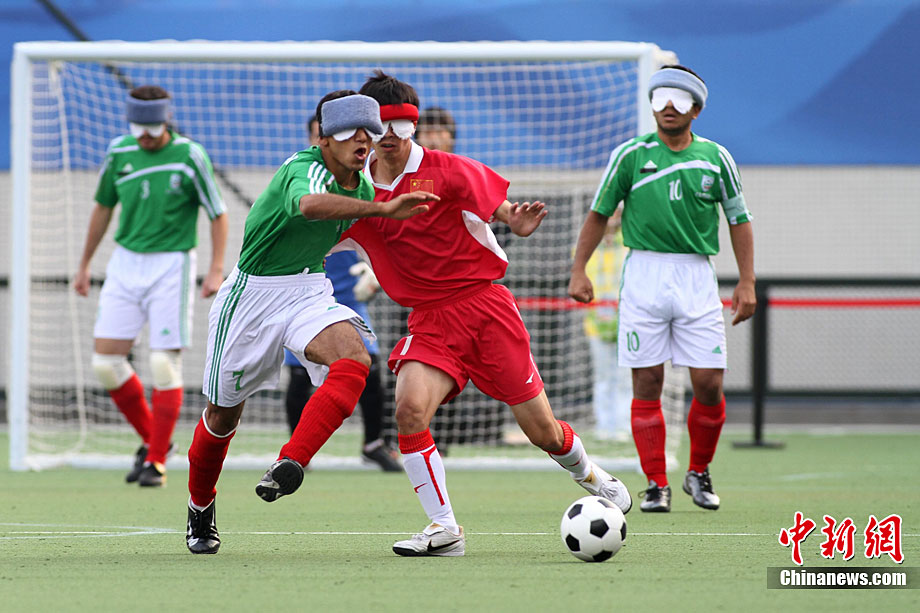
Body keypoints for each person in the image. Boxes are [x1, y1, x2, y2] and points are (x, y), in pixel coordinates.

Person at [334, 70, 632, 557]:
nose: (389, 137)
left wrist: (515, 218)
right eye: (379, 126)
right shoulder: (354, 189)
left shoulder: (450, 170)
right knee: (408, 410)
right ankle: (444, 527)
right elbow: (321, 233)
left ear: (412, 125)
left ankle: (592, 475)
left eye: (399, 126)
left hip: (485, 309)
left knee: (543, 432)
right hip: (429, 320)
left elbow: (503, 209)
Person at [185, 91, 436, 554]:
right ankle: (200, 507)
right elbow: (309, 205)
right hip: (251, 297)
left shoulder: (363, 188)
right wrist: (383, 210)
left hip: (307, 289)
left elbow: (379, 238)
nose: (363, 141)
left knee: (355, 359)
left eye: (369, 132)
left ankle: (292, 462)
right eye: (350, 132)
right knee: (222, 416)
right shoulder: (303, 169)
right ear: (324, 138)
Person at [568, 65, 756, 513]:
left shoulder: (716, 158)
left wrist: (747, 280)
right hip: (644, 274)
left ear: (696, 109)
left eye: (679, 99)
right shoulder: (630, 156)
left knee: (708, 383)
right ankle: (655, 483)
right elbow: (599, 214)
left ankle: (699, 471)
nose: (669, 106)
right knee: (647, 380)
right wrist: (579, 269)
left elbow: (739, 219)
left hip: (696, 275)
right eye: (660, 98)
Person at [74, 85, 228, 488]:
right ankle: (156, 441)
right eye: (138, 127)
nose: (145, 135)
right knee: (105, 363)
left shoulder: (190, 155)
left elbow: (218, 213)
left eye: (153, 127)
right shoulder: (119, 152)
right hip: (125, 262)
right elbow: (103, 206)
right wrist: (84, 264)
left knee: (163, 362)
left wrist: (215, 268)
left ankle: (156, 462)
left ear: (167, 120)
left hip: (171, 264)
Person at [281, 115, 401, 472]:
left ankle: (374, 444)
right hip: (304, 294)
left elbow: (376, 233)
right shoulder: (300, 176)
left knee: (370, 369)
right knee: (299, 377)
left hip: (347, 295)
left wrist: (374, 273)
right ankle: (296, 452)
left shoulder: (359, 181)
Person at [583, 209, 631, 441]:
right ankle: (604, 424)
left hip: (626, 322)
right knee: (603, 376)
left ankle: (623, 425)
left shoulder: (629, 244)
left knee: (624, 376)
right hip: (596, 323)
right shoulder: (589, 246)